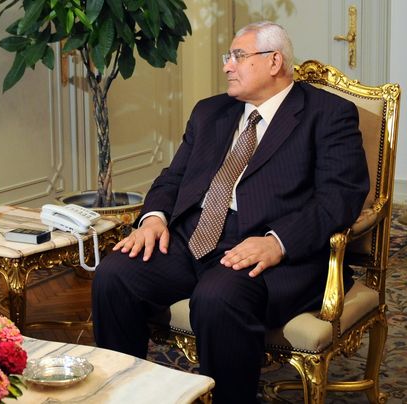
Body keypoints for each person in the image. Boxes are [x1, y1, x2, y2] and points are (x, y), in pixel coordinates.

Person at [91, 22, 369, 403]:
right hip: (194, 236)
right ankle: (123, 394)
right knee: (115, 274)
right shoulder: (211, 112)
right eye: (228, 57)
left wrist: (278, 242)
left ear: (275, 61)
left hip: (268, 250)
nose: (227, 66)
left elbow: (341, 197)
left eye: (238, 56)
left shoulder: (328, 114)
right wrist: (153, 218)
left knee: (217, 296)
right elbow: (172, 178)